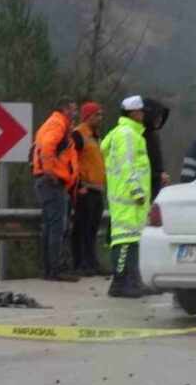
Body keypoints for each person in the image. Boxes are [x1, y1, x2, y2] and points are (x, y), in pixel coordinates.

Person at [101, 95, 152, 298]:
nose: (143, 115)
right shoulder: (127, 134)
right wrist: (136, 191)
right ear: (133, 113)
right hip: (128, 197)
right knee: (124, 240)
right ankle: (120, 283)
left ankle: (133, 280)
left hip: (129, 198)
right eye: (141, 112)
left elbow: (104, 150)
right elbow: (127, 163)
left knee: (132, 240)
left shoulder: (127, 133)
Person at [31, 97, 80, 282]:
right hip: (52, 182)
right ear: (66, 109)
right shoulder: (58, 124)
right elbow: (47, 146)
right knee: (57, 226)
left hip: (47, 182)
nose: (76, 113)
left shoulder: (54, 123)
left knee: (51, 226)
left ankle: (51, 268)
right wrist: (50, 171)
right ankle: (55, 268)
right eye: (74, 109)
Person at [70, 101, 107, 276]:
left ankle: (92, 262)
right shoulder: (78, 134)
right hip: (85, 188)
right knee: (81, 228)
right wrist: (77, 186)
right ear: (87, 116)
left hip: (97, 188)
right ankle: (80, 263)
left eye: (100, 114)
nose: (100, 118)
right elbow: (71, 161)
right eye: (96, 115)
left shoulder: (95, 135)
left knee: (93, 229)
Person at [142, 98, 171, 200]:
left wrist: (162, 175)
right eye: (157, 116)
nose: (159, 119)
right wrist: (158, 176)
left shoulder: (154, 136)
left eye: (161, 117)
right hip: (144, 187)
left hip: (155, 186)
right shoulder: (141, 137)